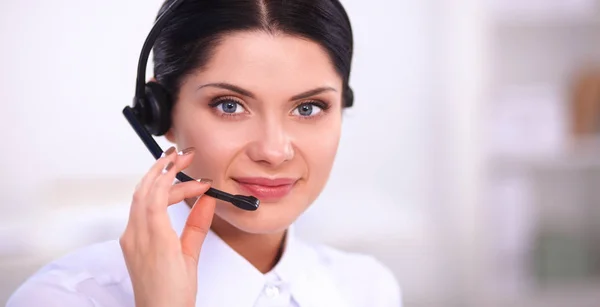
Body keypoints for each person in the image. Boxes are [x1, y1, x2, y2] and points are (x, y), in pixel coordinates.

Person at [7, 0, 402, 306]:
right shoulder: (64, 298)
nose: (273, 151)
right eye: (229, 105)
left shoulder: (368, 288)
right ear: (160, 112)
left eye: (308, 108)